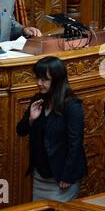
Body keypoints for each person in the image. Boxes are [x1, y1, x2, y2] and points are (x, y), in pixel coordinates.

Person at [16, 56, 87, 202]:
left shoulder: (72, 106)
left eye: (44, 79)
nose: (39, 83)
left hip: (61, 178)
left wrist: (67, 176)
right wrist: (30, 119)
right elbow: (20, 131)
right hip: (40, 175)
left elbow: (75, 144)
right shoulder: (38, 99)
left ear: (57, 79)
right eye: (37, 78)